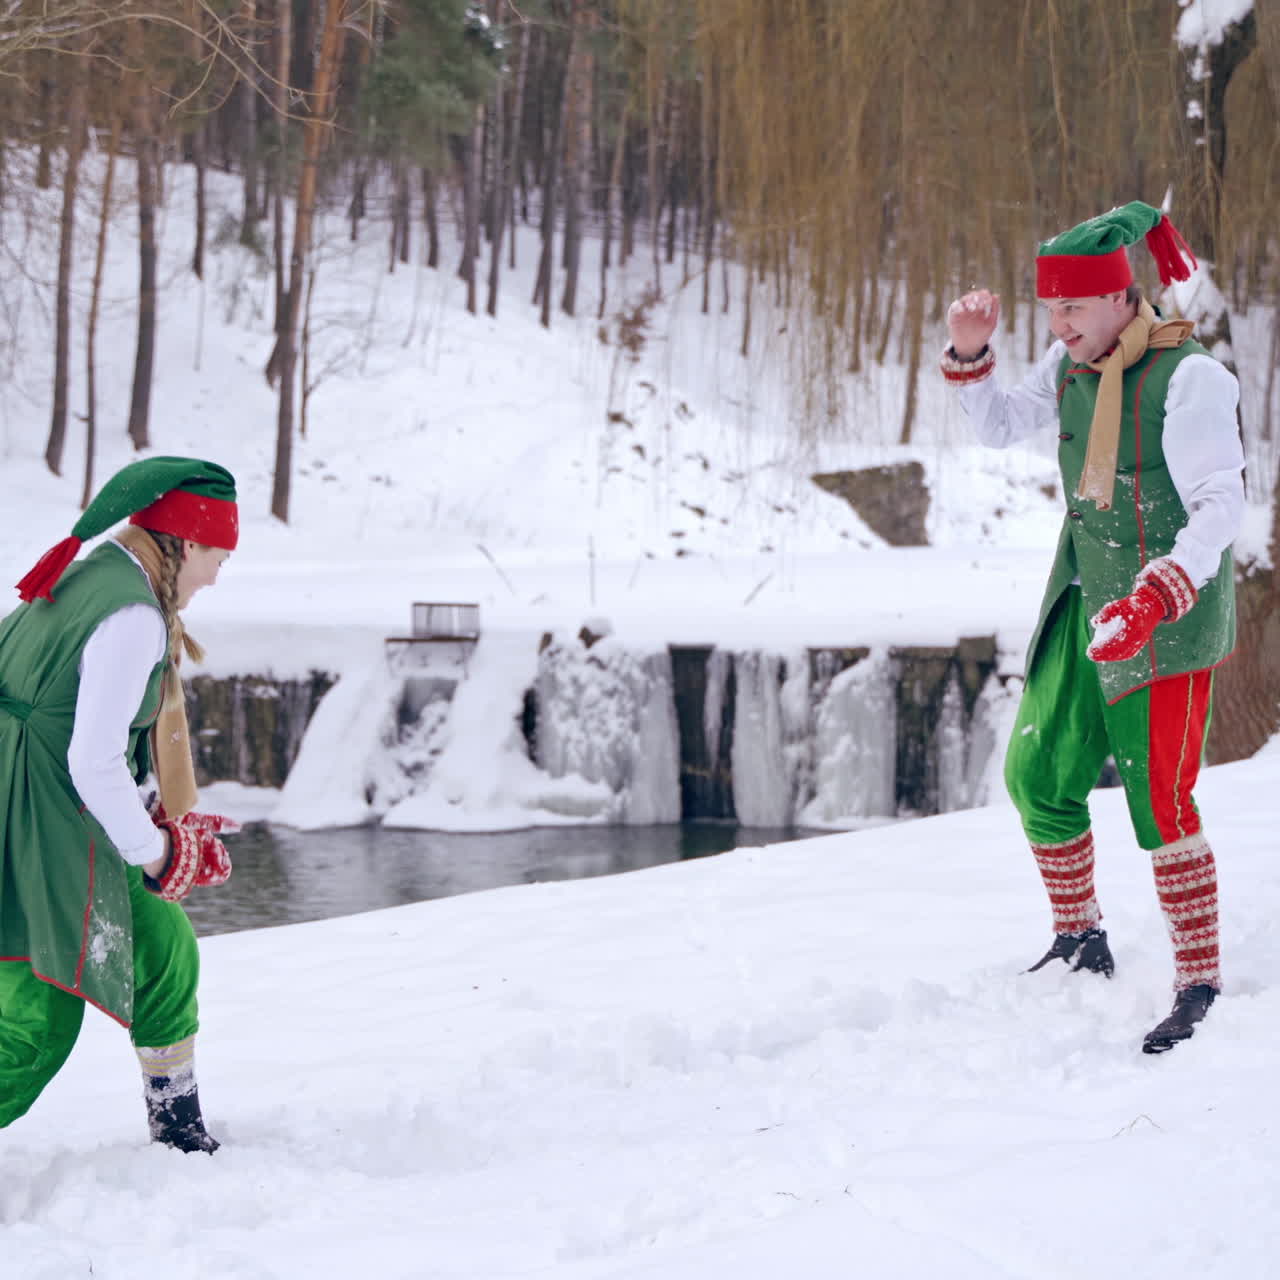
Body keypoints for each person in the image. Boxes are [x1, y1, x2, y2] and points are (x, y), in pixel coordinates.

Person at [940, 201, 1244, 1054]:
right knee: (1038, 770)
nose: (1058, 324)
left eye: (1071, 308)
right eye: (1049, 310)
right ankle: (1082, 938)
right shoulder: (1068, 365)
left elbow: (1222, 505)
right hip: (1083, 598)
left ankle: (1199, 979)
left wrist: (1159, 595)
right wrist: (970, 356)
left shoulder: (1190, 380)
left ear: (1120, 298)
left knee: (1163, 799)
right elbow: (1000, 427)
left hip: (1164, 616)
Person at [0, 457, 241, 1150]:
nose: (218, 575)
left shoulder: (102, 571)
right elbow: (92, 760)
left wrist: (152, 820)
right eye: (218, 557)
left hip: (50, 800)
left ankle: (178, 1129)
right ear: (187, 544)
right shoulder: (132, 612)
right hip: (34, 813)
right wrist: (161, 854)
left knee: (163, 947)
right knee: (34, 1022)